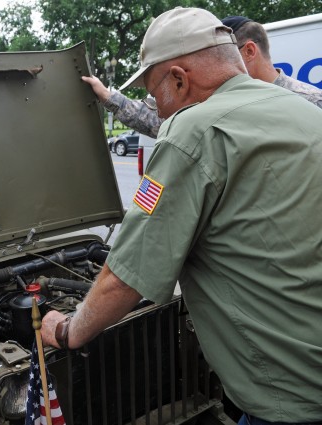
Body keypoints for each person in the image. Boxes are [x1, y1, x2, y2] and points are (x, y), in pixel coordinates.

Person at [41, 7, 322, 424]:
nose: (157, 107)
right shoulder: (303, 111)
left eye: (155, 93)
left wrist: (68, 330)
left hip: (286, 392)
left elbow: (127, 275)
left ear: (179, 78)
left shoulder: (192, 130)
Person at [90, 14, 322, 138]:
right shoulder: (214, 104)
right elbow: (160, 121)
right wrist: (109, 97)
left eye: (224, 52)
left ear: (249, 51)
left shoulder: (311, 103)